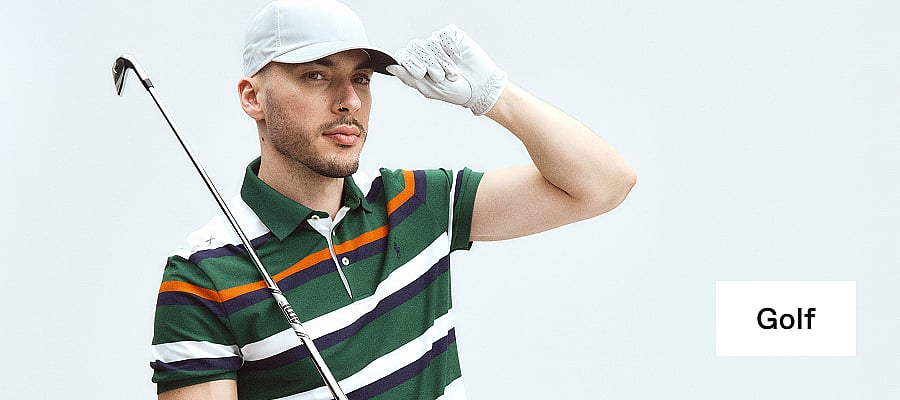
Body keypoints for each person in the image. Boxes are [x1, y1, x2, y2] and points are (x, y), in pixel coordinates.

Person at [149, 0, 636, 399]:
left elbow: (605, 183)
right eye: (316, 75)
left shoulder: (415, 203)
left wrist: (494, 96)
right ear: (252, 97)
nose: (349, 100)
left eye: (361, 78)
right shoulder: (204, 277)